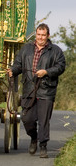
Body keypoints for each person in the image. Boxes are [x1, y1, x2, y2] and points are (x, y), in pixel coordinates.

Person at [7, 23, 66, 158]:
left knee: (43, 120)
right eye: (38, 35)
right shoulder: (26, 49)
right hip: (29, 90)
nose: (40, 37)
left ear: (48, 36)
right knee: (27, 119)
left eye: (43, 35)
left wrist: (46, 72)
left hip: (46, 90)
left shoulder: (56, 51)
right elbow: (18, 65)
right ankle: (33, 138)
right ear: (36, 35)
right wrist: (12, 71)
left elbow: (61, 67)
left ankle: (43, 146)